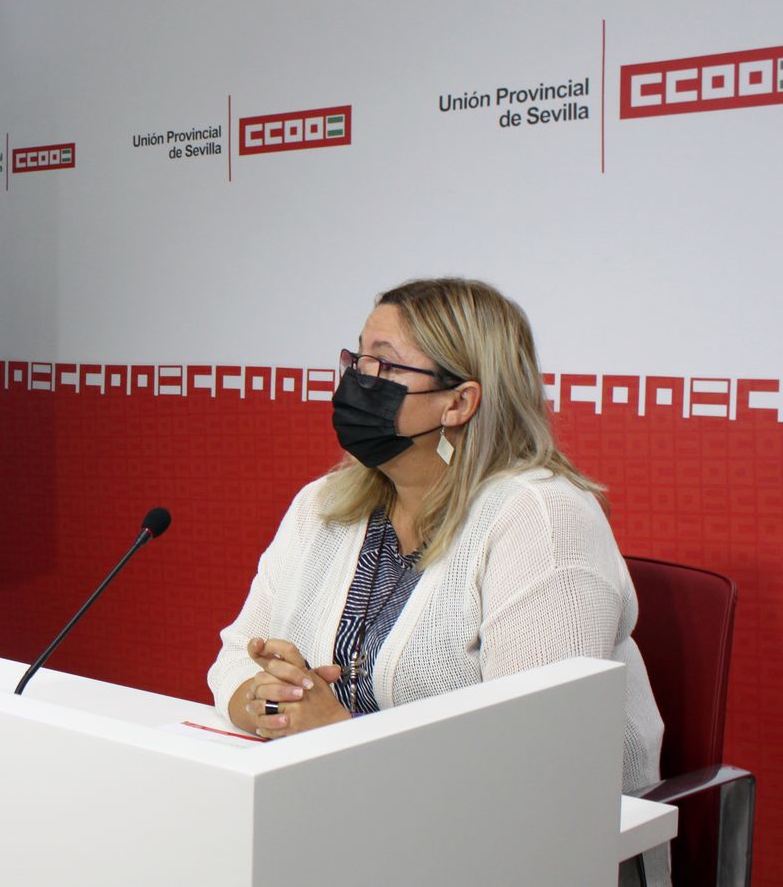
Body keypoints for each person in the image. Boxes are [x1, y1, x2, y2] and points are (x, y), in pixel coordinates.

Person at [206, 278, 665, 882]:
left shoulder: (540, 519)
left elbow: (540, 763)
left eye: (385, 365)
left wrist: (338, 735)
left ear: (459, 402)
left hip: (510, 857)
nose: (357, 380)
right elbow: (237, 654)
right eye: (357, 358)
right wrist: (266, 700)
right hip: (344, 831)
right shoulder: (323, 505)